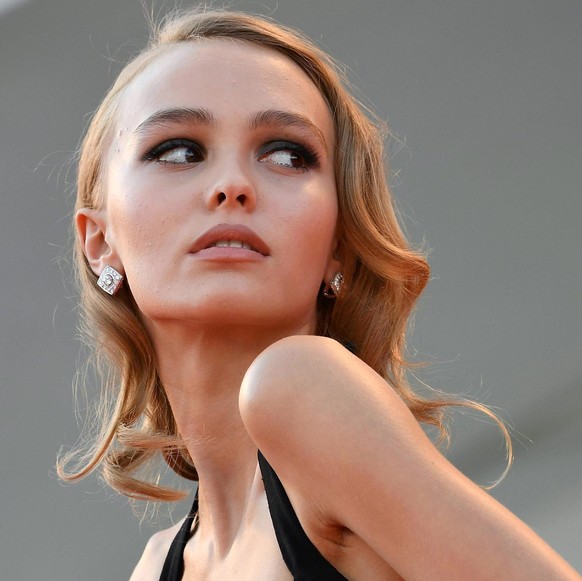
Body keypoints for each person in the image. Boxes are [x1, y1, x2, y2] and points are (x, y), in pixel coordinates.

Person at [57, 8, 580, 580]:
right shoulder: (157, 564)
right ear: (100, 241)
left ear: (338, 246)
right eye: (180, 150)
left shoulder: (302, 386)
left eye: (287, 154)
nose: (232, 185)